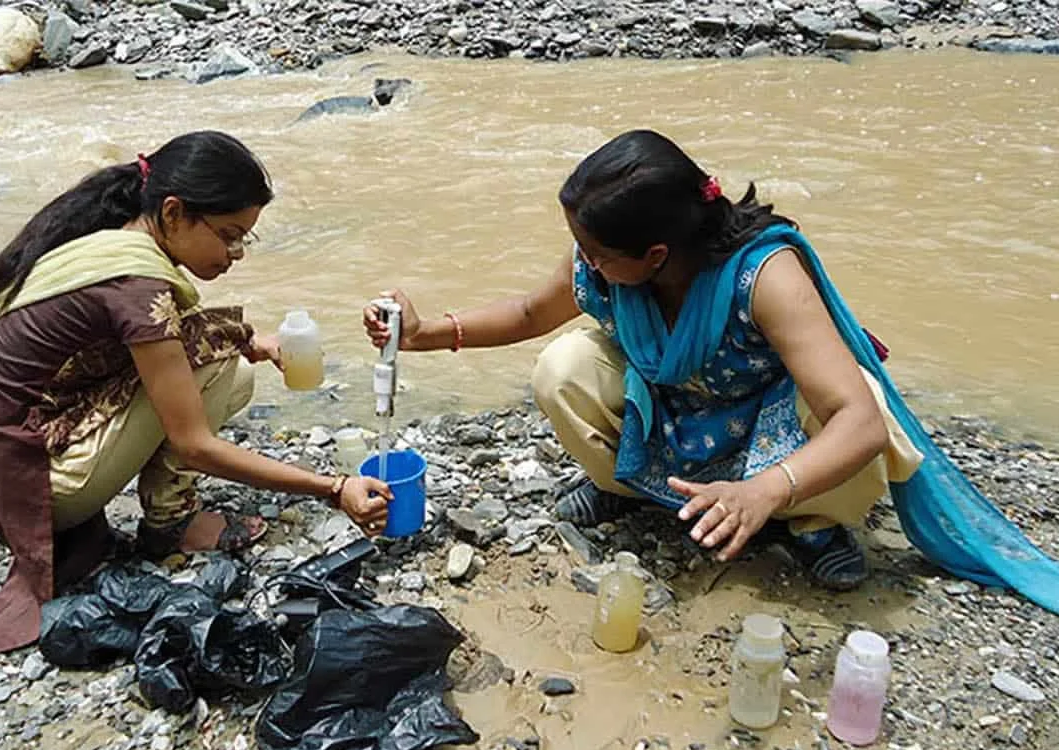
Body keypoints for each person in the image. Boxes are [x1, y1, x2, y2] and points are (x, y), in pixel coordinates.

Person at [365, 129, 923, 591]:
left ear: (656, 254)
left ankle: (810, 522)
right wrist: (420, 335)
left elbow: (860, 421)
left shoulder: (764, 276)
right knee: (563, 368)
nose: (585, 263)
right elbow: (531, 313)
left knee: (860, 407)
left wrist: (766, 489)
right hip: (674, 410)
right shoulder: (609, 258)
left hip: (765, 420)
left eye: (597, 254)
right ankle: (634, 491)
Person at [0, 130, 393, 661]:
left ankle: (166, 510)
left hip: (11, 460)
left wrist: (255, 342)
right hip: (40, 489)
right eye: (229, 235)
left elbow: (165, 335)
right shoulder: (137, 285)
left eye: (244, 239)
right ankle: (172, 522)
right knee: (215, 364)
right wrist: (333, 486)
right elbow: (194, 444)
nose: (236, 254)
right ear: (172, 213)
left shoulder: (111, 236)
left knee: (232, 370)